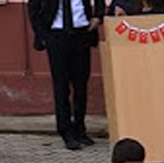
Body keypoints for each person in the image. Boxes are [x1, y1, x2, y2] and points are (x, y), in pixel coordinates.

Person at [29, 0, 106, 151]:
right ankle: (65, 130)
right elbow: (33, 8)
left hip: (81, 34)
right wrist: (43, 35)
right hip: (56, 36)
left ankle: (80, 128)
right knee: (61, 86)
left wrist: (98, 16)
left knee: (81, 85)